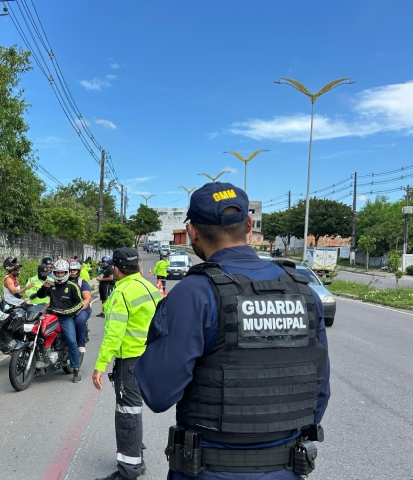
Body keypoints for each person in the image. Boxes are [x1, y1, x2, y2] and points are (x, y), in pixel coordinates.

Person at [134, 182, 330, 479]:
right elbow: (320, 391)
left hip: (209, 470)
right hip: (286, 468)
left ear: (193, 232)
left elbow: (158, 393)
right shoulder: (304, 292)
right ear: (249, 225)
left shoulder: (194, 293)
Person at [92, 249, 161, 480]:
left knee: (127, 413)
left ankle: (129, 470)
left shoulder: (122, 293)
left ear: (117, 270)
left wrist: (100, 365)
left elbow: (113, 335)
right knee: (134, 410)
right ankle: (136, 457)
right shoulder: (149, 287)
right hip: (148, 357)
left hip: (130, 360)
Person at [35, 259, 84, 383]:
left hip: (65, 317)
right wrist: (43, 287)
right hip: (51, 315)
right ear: (54, 273)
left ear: (66, 273)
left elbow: (80, 303)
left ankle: (76, 369)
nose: (60, 275)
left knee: (72, 341)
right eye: (57, 273)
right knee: (35, 334)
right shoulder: (51, 285)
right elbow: (40, 295)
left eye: (62, 273)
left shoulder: (73, 286)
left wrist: (68, 312)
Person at [69, 260, 93, 364]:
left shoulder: (82, 283)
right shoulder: (62, 282)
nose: (72, 272)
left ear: (78, 271)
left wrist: (77, 310)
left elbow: (87, 299)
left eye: (74, 270)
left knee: (79, 320)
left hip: (81, 309)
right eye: (70, 270)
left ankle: (80, 345)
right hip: (65, 309)